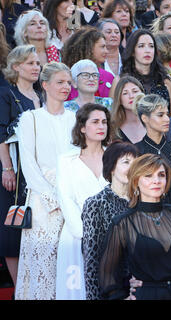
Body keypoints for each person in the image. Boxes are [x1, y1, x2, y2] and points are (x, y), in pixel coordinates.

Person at [15, 62, 76, 300]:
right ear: (45, 85)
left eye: (68, 83)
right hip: (42, 203)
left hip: (72, 201)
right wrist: (54, 197)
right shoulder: (30, 118)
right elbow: (29, 164)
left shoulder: (75, 119)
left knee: (68, 265)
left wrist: (69, 197)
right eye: (60, 82)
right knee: (43, 267)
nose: (66, 87)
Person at [99, 153, 171, 300]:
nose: (156, 181)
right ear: (136, 181)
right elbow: (107, 272)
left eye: (161, 175)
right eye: (148, 176)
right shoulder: (123, 223)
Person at [55, 103, 110, 300]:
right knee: (76, 291)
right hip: (76, 235)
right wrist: (85, 233)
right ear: (82, 127)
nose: (101, 126)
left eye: (104, 122)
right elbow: (65, 197)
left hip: (111, 235)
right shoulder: (66, 159)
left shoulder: (114, 156)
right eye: (95, 122)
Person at [0, 45, 42, 293]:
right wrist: (7, 169)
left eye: (38, 63)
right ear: (16, 67)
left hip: (40, 173)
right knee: (13, 229)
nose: (36, 67)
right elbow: (1, 134)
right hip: (15, 173)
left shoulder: (43, 95)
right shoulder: (6, 94)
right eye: (30, 63)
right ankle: (19, 290)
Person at [82, 141, 139, 300]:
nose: (132, 167)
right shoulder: (95, 204)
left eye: (135, 163)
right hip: (112, 289)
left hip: (141, 287)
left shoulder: (142, 201)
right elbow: (91, 260)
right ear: (112, 167)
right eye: (126, 162)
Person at [134, 93, 171, 209]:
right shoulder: (136, 151)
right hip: (146, 215)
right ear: (145, 118)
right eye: (160, 115)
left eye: (167, 114)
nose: (167, 119)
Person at [121, 29, 171, 113]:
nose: (147, 50)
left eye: (151, 46)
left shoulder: (166, 83)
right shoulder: (120, 81)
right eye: (141, 46)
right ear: (132, 51)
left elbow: (169, 116)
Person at [62, 27, 118, 100]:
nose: (106, 51)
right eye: (102, 47)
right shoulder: (66, 77)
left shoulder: (108, 77)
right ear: (89, 48)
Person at [110, 75, 146, 143]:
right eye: (125, 93)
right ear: (119, 99)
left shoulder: (154, 122)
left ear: (142, 94)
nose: (131, 96)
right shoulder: (113, 128)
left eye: (135, 91)